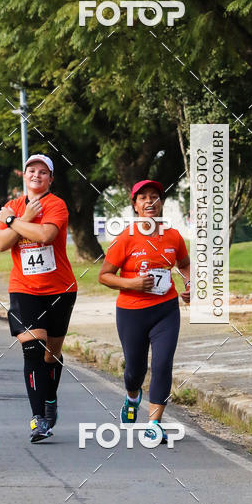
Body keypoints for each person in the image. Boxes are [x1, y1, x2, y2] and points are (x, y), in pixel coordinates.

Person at [98, 180, 190, 443]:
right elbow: (104, 276)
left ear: (161, 204)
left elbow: (184, 264)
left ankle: (154, 423)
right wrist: (132, 283)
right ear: (135, 206)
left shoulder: (173, 236)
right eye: (143, 198)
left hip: (166, 310)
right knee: (135, 370)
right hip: (131, 312)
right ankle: (131, 396)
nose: (150, 202)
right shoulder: (125, 238)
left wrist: (191, 284)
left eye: (155, 197)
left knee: (162, 364)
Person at [0, 154, 77, 442]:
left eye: (43, 172)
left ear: (50, 179)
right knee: (33, 350)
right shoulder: (14, 206)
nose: (36, 175)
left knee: (51, 354)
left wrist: (12, 221)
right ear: (24, 175)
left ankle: (50, 399)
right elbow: (1, 244)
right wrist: (20, 219)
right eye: (31, 170)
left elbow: (45, 236)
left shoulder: (55, 204)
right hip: (23, 289)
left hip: (60, 289)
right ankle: (38, 419)